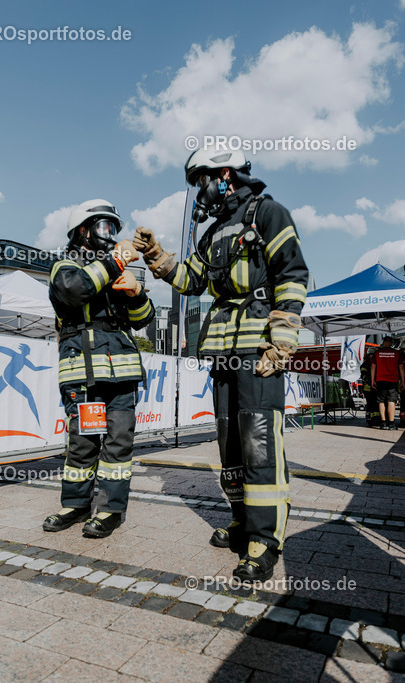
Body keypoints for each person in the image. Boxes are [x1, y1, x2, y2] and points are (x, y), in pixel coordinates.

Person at [133, 149, 308, 582]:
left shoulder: (268, 213)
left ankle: (264, 541)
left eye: (200, 182)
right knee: (229, 442)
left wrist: (282, 342)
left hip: (259, 353)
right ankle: (242, 522)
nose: (198, 192)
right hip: (222, 352)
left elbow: (292, 273)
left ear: (223, 175)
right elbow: (192, 280)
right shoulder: (213, 232)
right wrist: (157, 256)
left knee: (259, 443)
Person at [42, 199, 155, 539]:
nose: (110, 235)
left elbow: (143, 320)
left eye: (113, 229)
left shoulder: (115, 269)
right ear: (82, 231)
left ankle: (110, 510)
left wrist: (136, 295)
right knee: (84, 441)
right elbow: (75, 292)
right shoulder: (65, 266)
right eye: (103, 227)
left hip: (120, 374)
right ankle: (76, 505)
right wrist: (115, 261)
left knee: (118, 445)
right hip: (84, 373)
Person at [371, 337, 405, 430]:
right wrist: (403, 381)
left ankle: (383, 423)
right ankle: (391, 424)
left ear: (384, 343)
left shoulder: (377, 353)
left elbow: (373, 367)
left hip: (380, 380)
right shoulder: (397, 353)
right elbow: (401, 368)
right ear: (391, 343)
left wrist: (372, 380)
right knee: (391, 401)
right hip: (393, 380)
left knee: (381, 401)